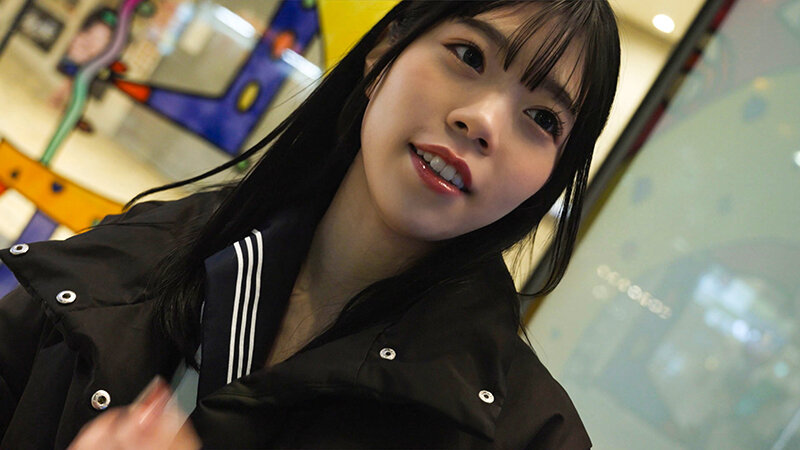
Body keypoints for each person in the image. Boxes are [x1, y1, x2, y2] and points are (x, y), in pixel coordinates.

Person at [0, 1, 620, 448]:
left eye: (542, 119)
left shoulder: (529, 434)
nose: (482, 121)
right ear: (383, 53)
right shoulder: (150, 252)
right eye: (468, 55)